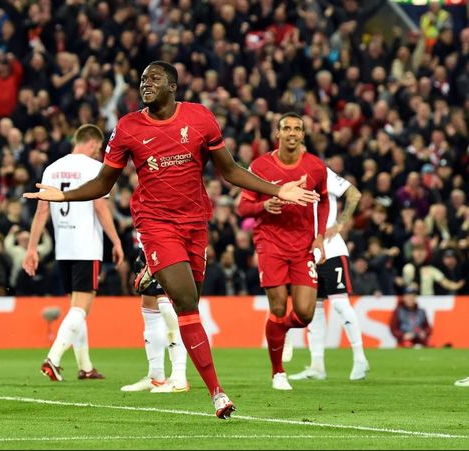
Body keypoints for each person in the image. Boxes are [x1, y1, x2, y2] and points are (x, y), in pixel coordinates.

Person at [24, 61, 320, 419]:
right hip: (155, 223)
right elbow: (105, 183)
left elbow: (229, 170)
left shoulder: (200, 119)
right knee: (184, 302)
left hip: (195, 223)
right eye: (143, 78)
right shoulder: (128, 127)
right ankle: (217, 393)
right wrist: (64, 196)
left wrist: (278, 190)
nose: (145, 83)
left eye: (154, 78)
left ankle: (154, 275)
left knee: (189, 299)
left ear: (173, 86)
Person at [23, 124, 124, 382]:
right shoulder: (94, 168)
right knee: (81, 308)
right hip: (86, 245)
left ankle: (85, 366)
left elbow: (42, 211)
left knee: (75, 308)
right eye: (99, 148)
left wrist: (31, 248)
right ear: (92, 144)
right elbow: (100, 208)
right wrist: (116, 241)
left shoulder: (52, 168)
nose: (99, 153)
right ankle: (54, 359)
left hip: (64, 247)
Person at [237, 113, 329, 391]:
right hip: (270, 243)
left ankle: (281, 330)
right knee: (277, 306)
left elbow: (323, 201)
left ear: (303, 135)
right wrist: (263, 207)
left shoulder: (315, 167)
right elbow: (243, 208)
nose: (292, 132)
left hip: (303, 246)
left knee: (305, 313)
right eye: (286, 128)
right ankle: (278, 373)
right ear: (277, 135)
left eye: (297, 129)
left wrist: (320, 236)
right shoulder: (261, 165)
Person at [288, 167, 370, 382]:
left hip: (332, 250)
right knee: (313, 309)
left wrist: (340, 223)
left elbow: (354, 194)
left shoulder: (320, 171)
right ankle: (317, 366)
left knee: (341, 305)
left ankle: (360, 359)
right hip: (308, 252)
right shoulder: (286, 175)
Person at [120, 249, 188, 393]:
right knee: (149, 305)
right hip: (147, 246)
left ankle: (179, 377)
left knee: (167, 306)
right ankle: (156, 376)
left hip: (167, 244)